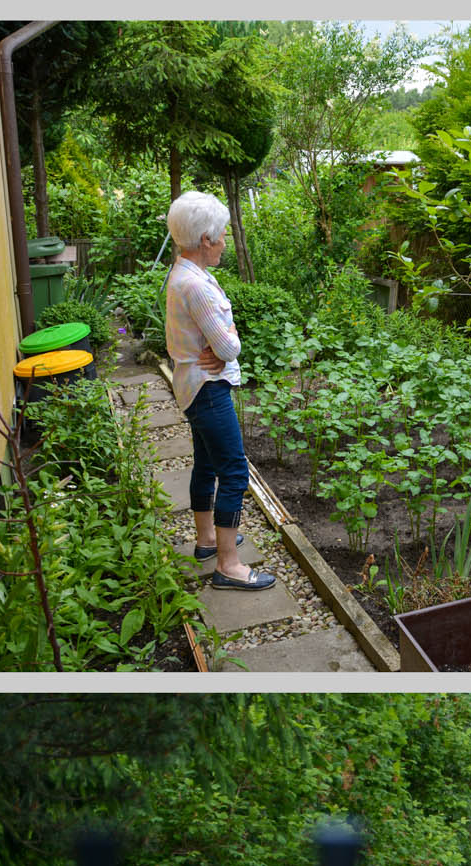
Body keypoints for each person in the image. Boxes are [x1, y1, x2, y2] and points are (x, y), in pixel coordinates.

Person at [165, 190, 274, 590]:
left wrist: (217, 346)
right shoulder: (198, 287)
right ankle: (228, 566)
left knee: (206, 465)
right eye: (223, 235)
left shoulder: (182, 274)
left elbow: (215, 345)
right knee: (233, 473)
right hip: (209, 390)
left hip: (194, 388)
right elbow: (229, 348)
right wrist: (226, 342)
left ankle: (208, 539)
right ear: (206, 240)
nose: (226, 242)